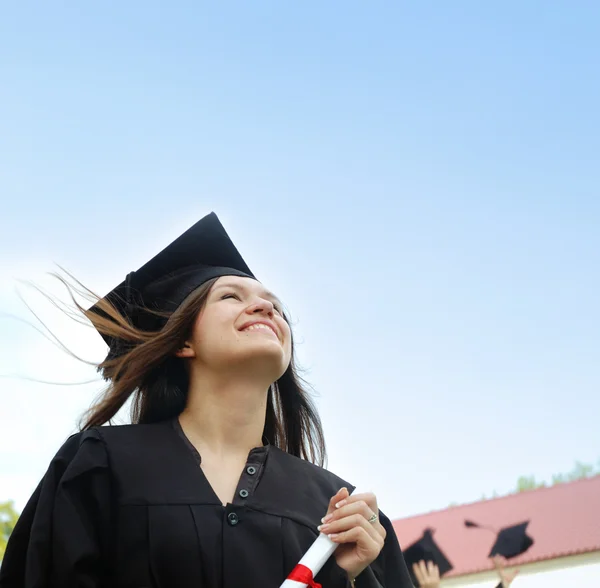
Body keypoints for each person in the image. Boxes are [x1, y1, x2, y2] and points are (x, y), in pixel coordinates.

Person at [0, 213, 414, 588]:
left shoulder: (339, 514)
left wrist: (355, 578)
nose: (265, 307)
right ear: (182, 340)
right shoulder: (100, 466)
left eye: (276, 306)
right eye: (231, 296)